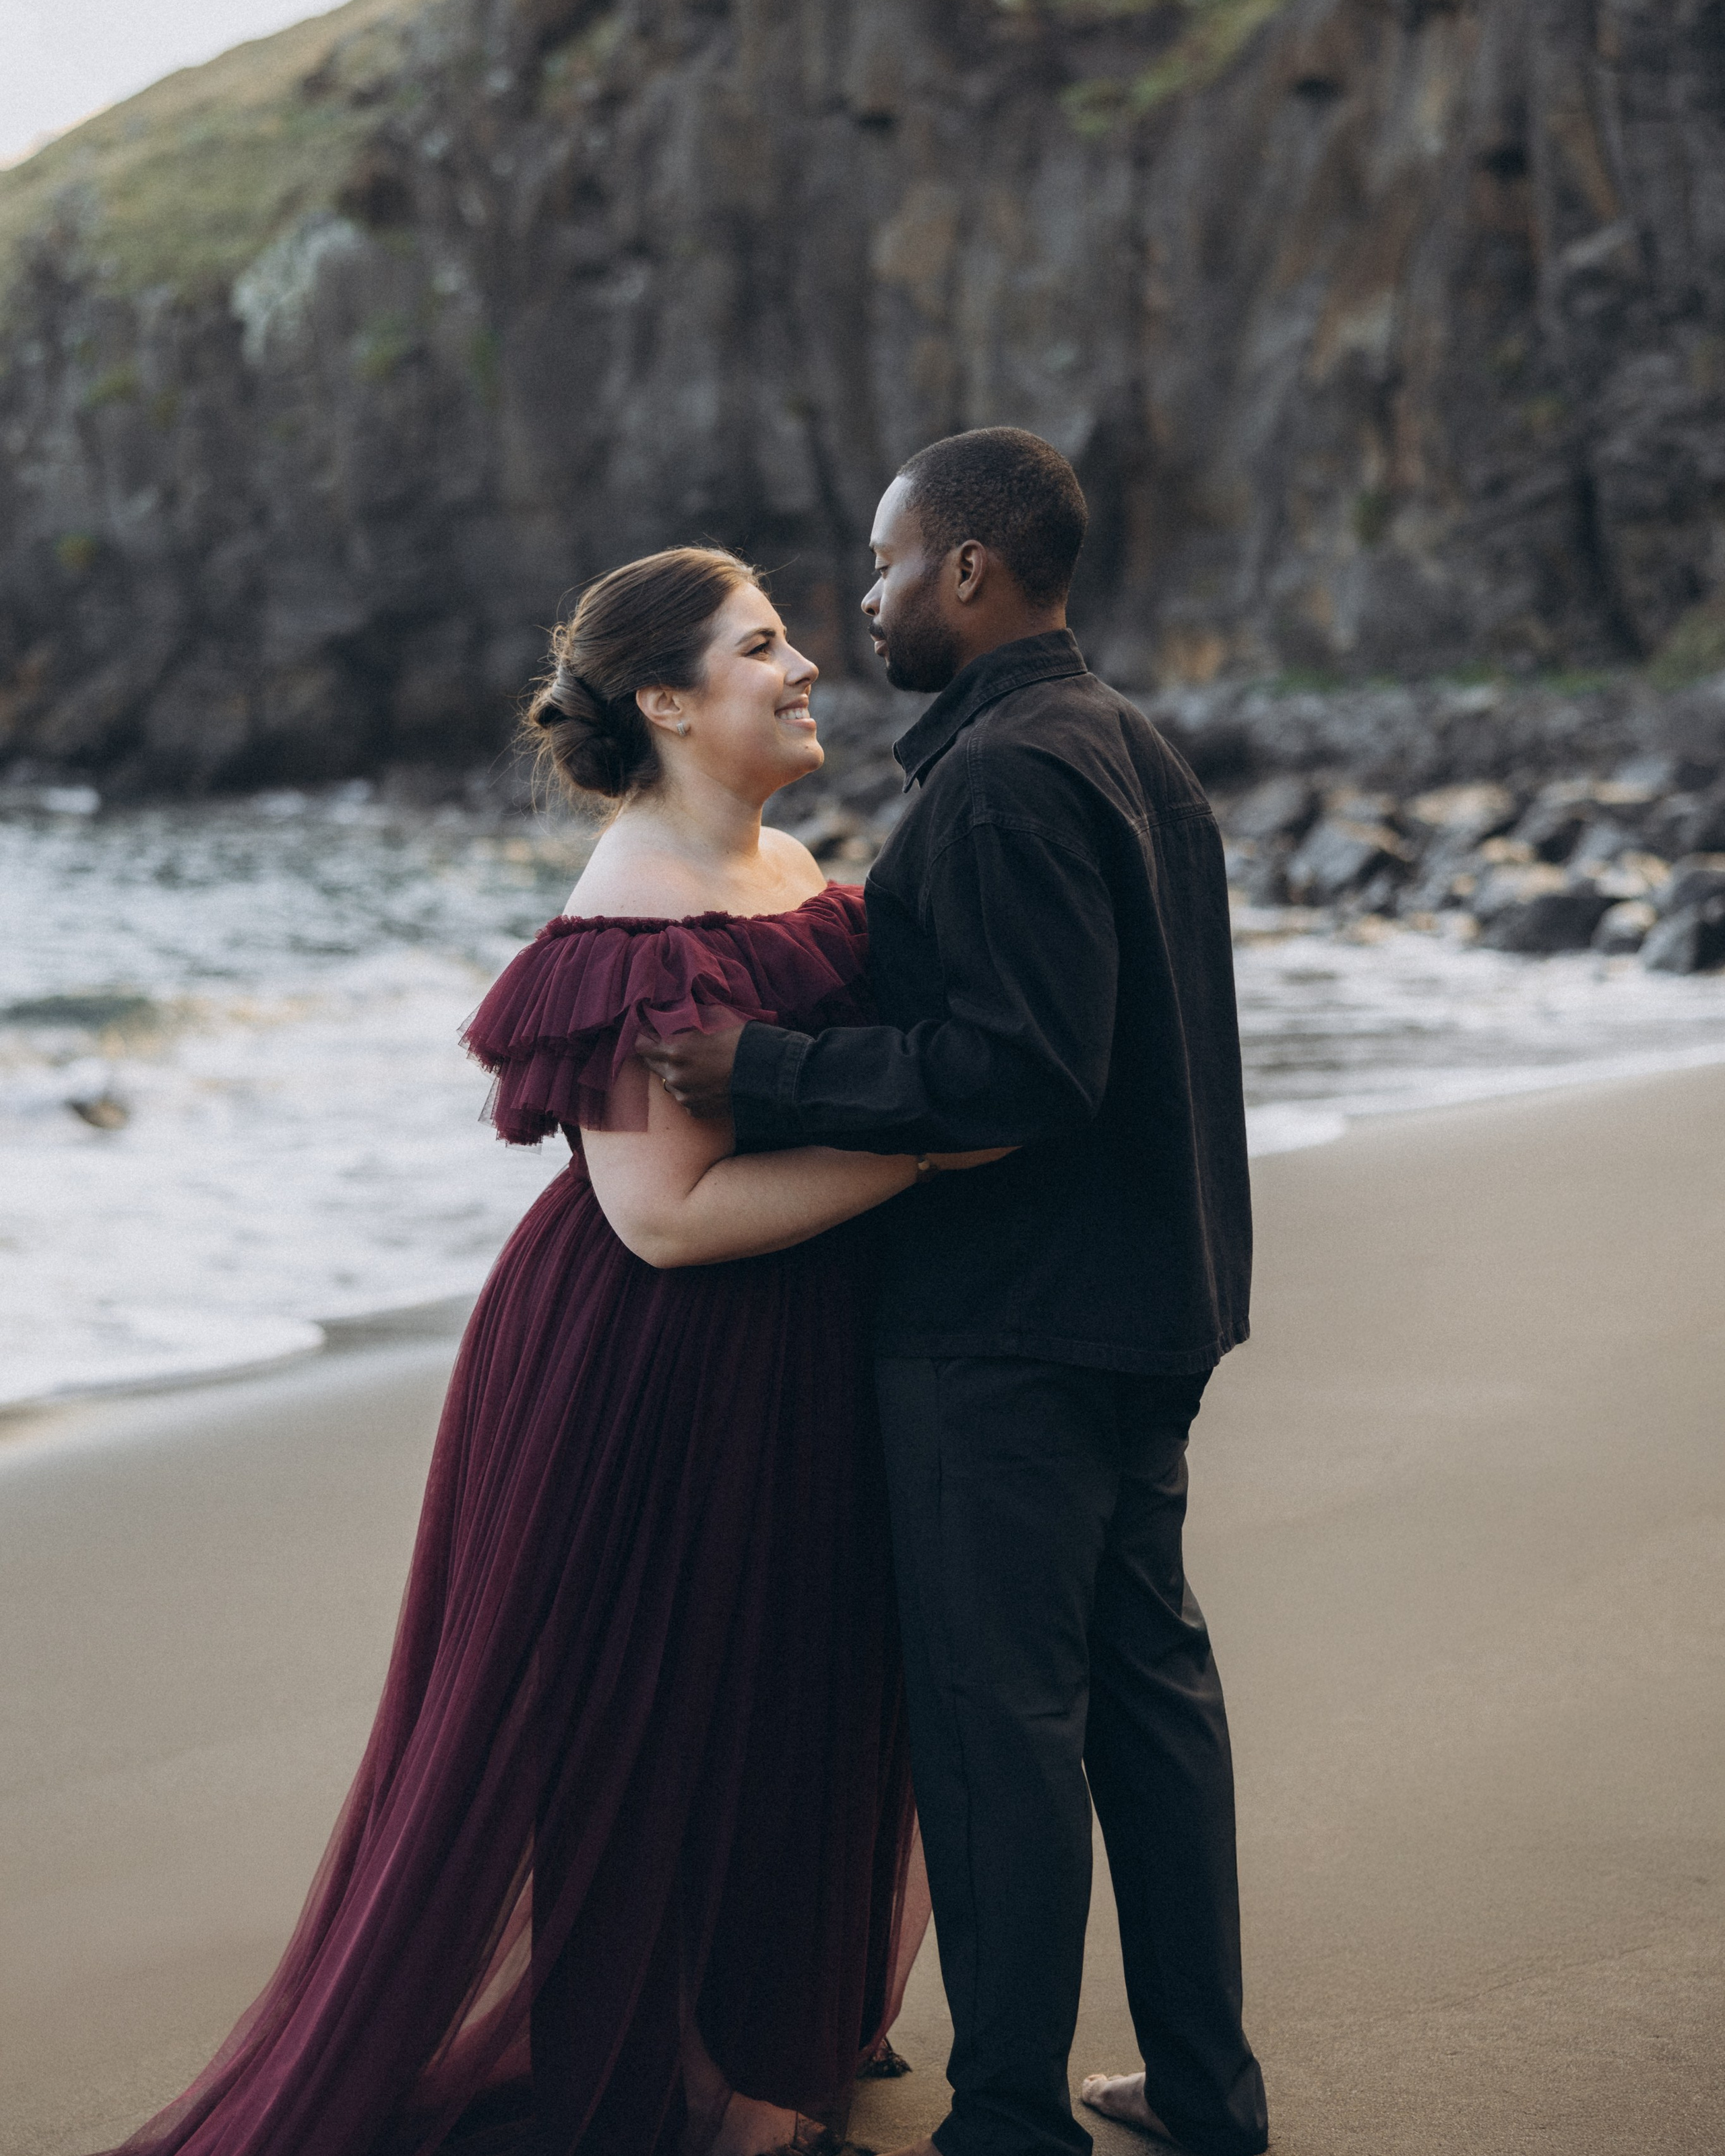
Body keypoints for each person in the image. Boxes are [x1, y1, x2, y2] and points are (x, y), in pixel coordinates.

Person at [102, 546, 1005, 2156]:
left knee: (795, 1690)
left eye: (792, 638)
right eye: (759, 646)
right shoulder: (627, 919)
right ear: (664, 699)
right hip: (654, 1364)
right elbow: (662, 1217)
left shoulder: (790, 866)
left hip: (798, 1339)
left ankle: (767, 2033)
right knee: (664, 1719)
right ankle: (691, 2073)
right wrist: (935, 1157)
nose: (805, 665)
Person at [639, 432, 1269, 2156]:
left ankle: (1007, 2116)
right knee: (1151, 1705)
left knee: (1003, 1735)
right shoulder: (1129, 746)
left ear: (972, 573)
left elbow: (1017, 1072)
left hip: (1009, 1328)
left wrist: (763, 1068)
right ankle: (1208, 2097)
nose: (865, 595)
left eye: (887, 558)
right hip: (1150, 1301)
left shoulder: (1002, 778)